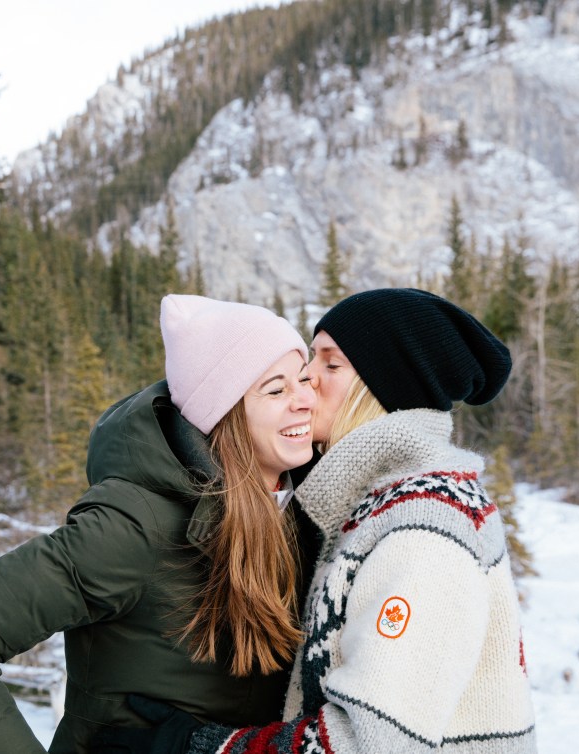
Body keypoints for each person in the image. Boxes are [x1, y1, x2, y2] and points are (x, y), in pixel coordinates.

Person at [104, 288, 537, 754]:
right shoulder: (377, 505)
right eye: (313, 357)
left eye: (331, 365)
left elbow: (369, 742)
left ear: (385, 390)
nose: (307, 377)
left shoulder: (423, 528)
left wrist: (203, 747)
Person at [0, 294, 322, 754]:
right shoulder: (134, 526)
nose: (305, 401)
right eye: (276, 389)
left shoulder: (313, 509)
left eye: (304, 378)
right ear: (221, 413)